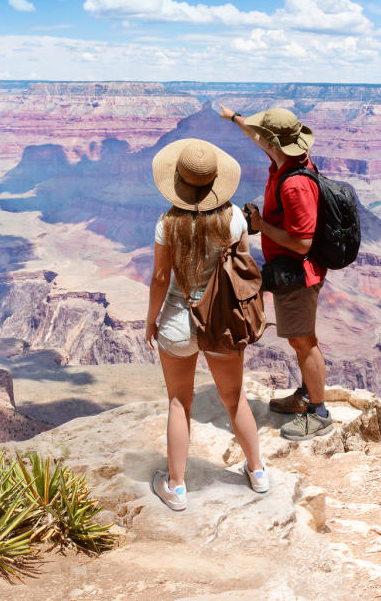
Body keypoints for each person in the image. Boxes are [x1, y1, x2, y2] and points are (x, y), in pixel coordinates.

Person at [145, 137, 269, 511]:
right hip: (222, 322)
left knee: (179, 402)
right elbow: (241, 271)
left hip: (177, 321)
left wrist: (150, 322)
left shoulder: (167, 223)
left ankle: (177, 487)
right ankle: (258, 472)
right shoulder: (234, 219)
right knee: (234, 399)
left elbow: (160, 278)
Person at [220, 105, 333, 441]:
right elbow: (259, 138)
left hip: (299, 274)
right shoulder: (288, 161)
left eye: (266, 138)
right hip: (289, 271)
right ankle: (305, 394)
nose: (262, 142)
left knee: (303, 342)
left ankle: (318, 412)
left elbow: (302, 242)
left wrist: (260, 225)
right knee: (300, 339)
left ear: (275, 143)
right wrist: (236, 118)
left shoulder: (293, 185)